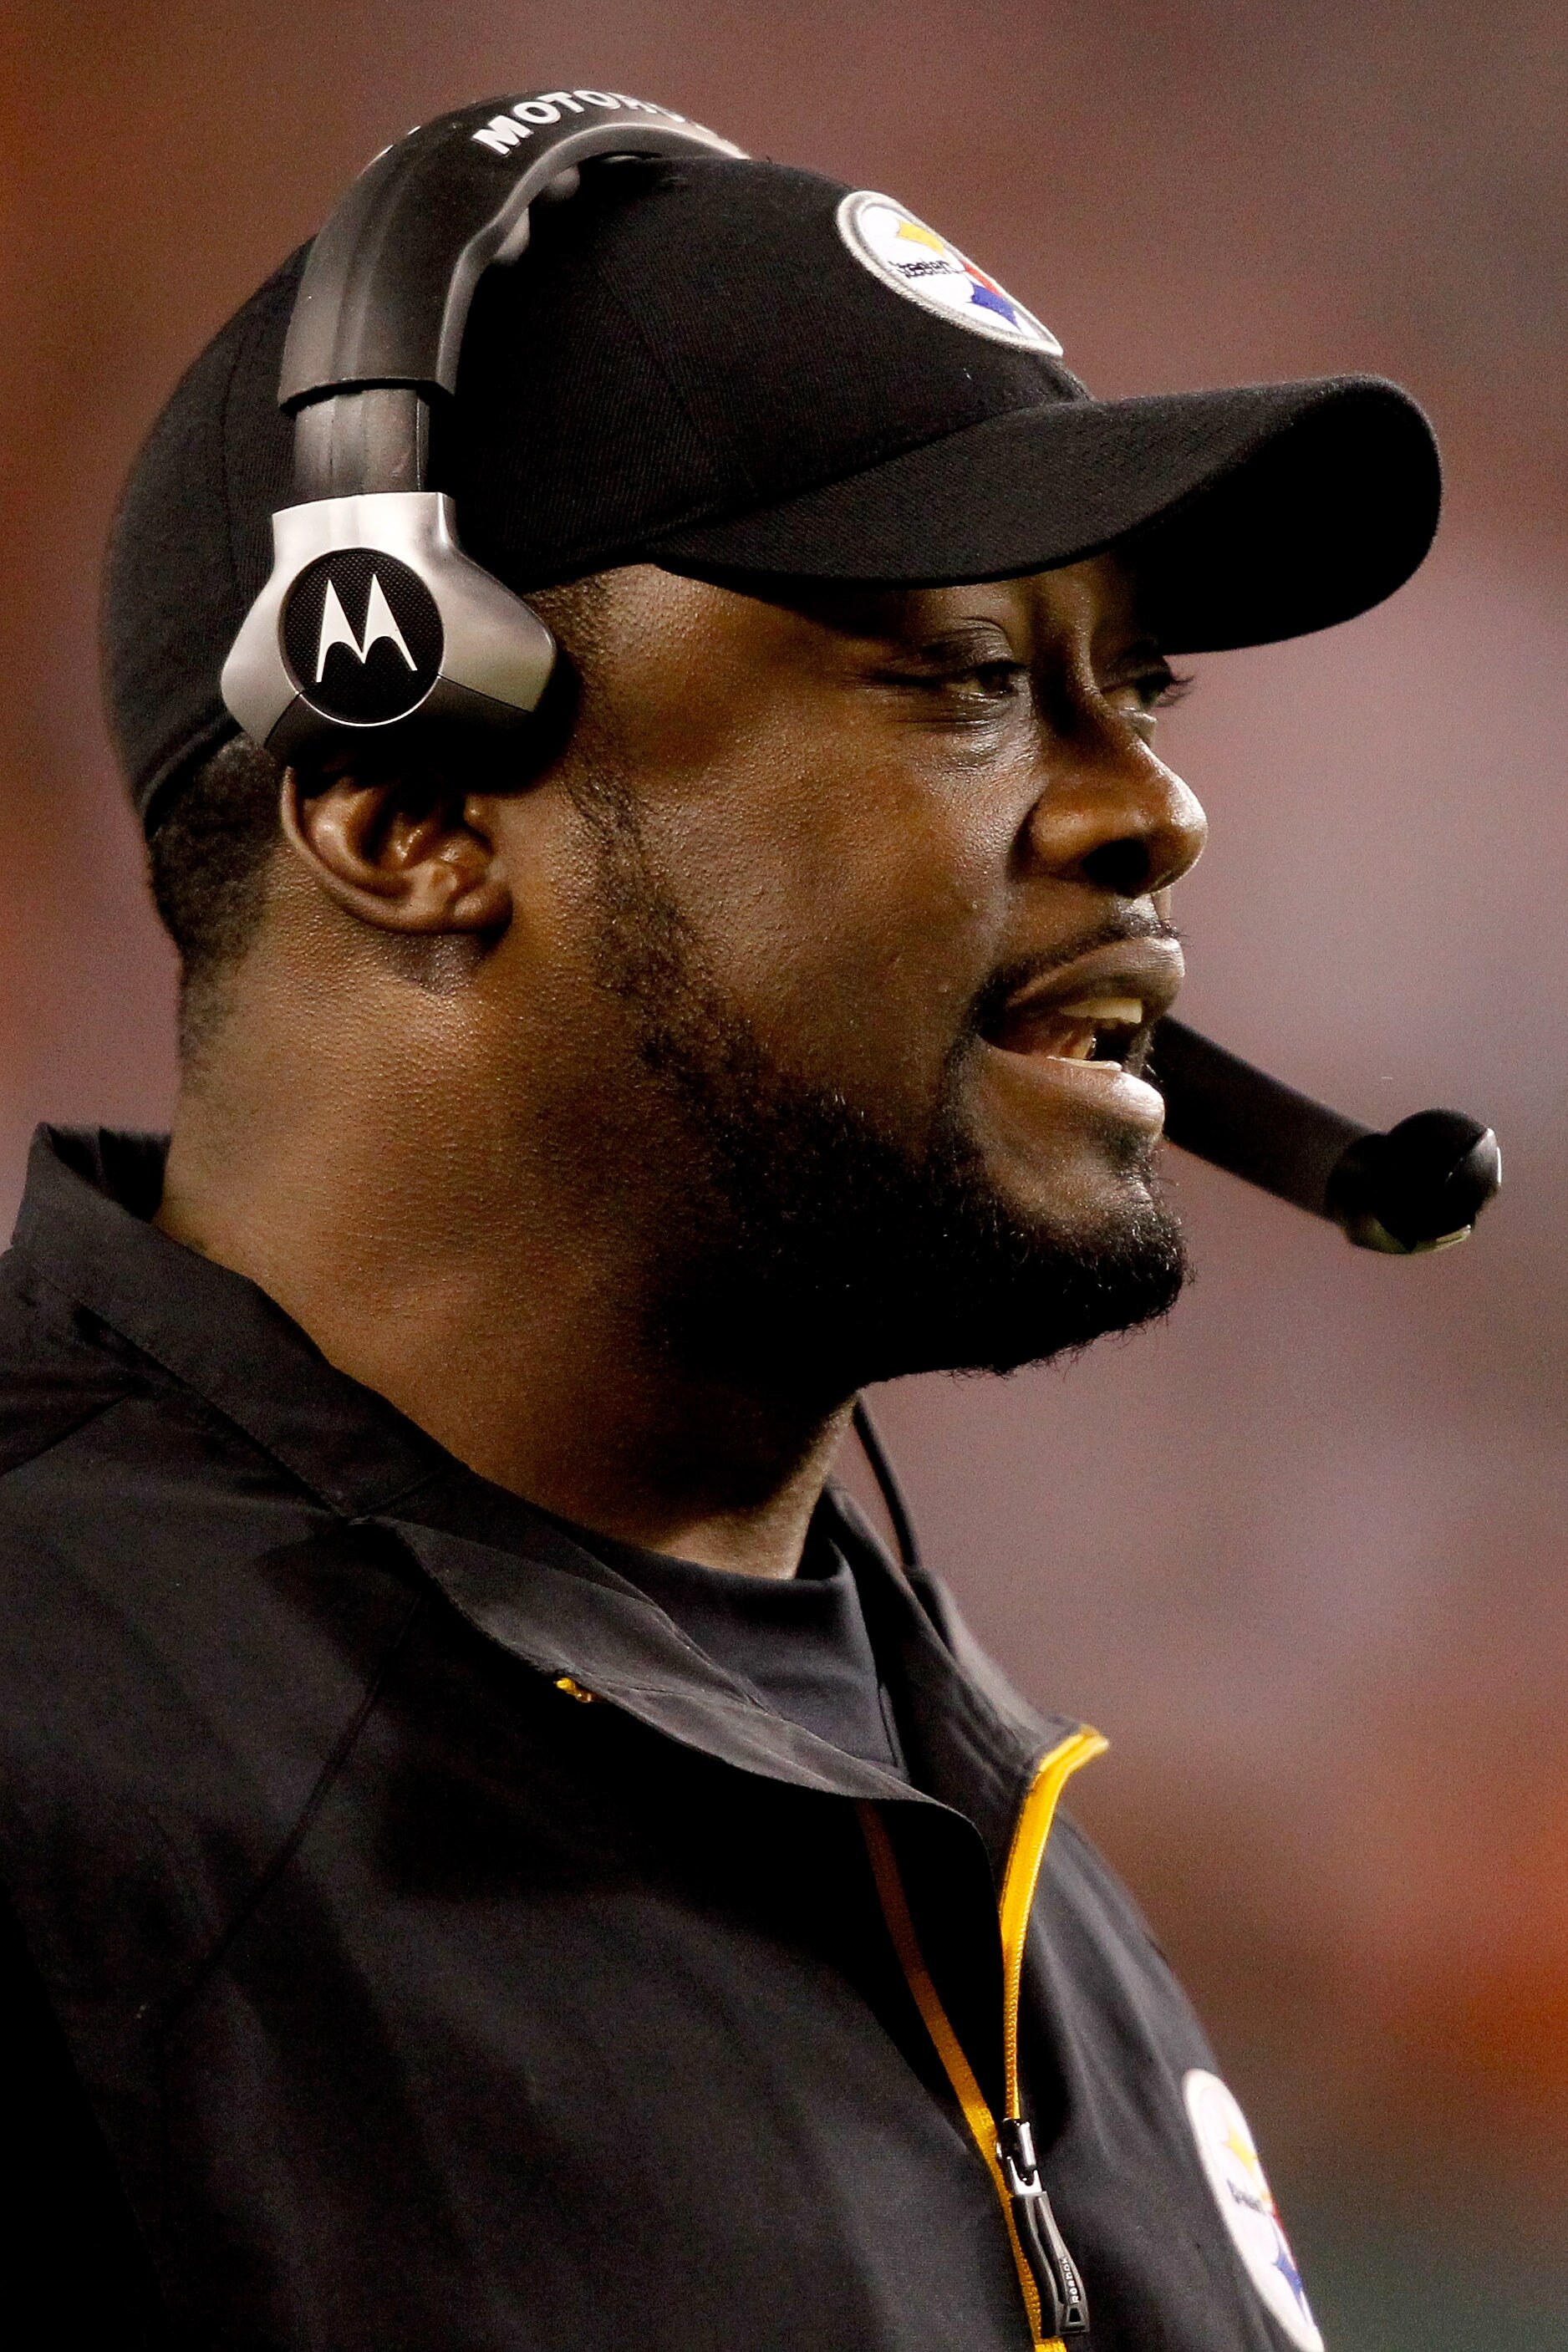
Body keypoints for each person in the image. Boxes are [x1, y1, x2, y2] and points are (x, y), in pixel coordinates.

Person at [0, 103, 1440, 2352]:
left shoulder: (990, 1844)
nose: (1151, 803)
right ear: (400, 799)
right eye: (964, 676)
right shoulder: (64, 1747)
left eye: (1132, 682)